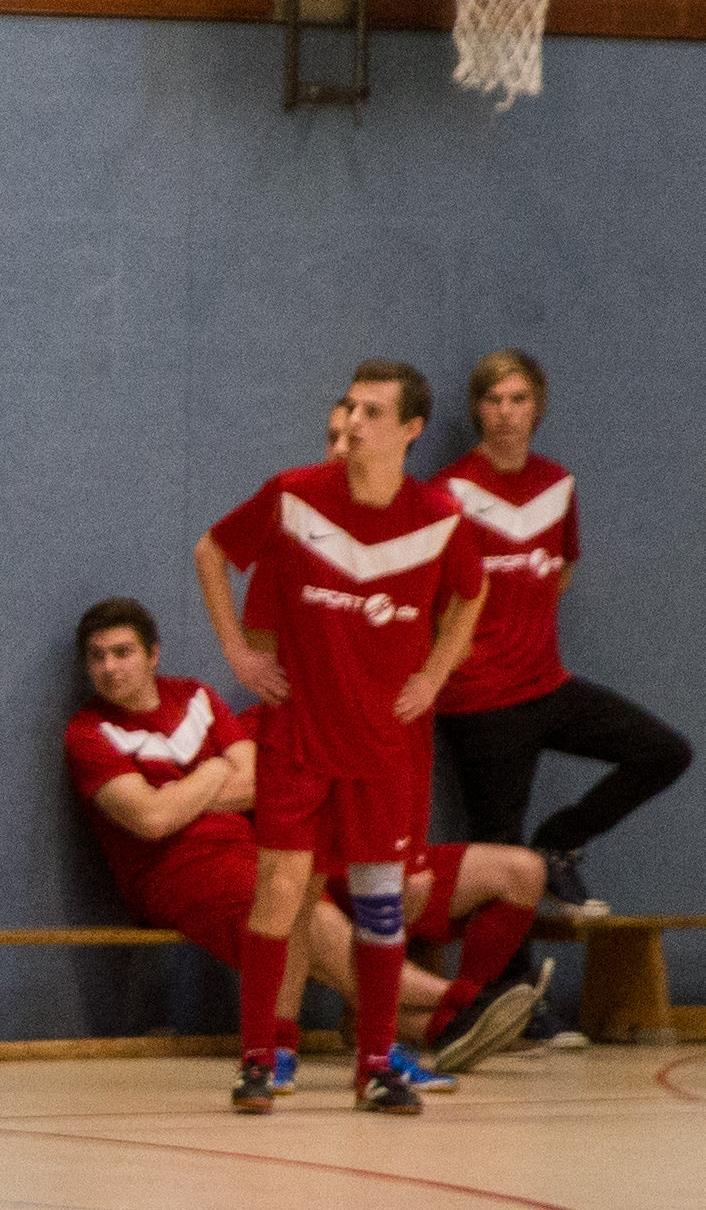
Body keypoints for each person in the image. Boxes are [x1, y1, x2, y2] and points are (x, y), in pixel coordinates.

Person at [66, 602, 540, 1078]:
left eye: (122, 652)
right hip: (180, 873)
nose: (110, 668)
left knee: (511, 872)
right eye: (97, 657)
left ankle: (446, 1024)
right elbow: (151, 820)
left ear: (152, 654)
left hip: (273, 851)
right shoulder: (89, 734)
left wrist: (180, 793)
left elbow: (254, 781)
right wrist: (213, 771)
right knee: (301, 909)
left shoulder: (195, 695)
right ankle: (465, 1002)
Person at [195, 364, 490, 1117]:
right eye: (351, 407)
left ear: (411, 430)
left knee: (381, 907)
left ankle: (376, 1067)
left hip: (384, 745)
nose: (354, 422)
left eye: (373, 411)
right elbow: (211, 552)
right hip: (298, 736)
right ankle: (258, 1059)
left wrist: (434, 673)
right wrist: (239, 656)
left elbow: (471, 592)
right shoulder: (294, 495)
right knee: (280, 891)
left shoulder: (439, 517)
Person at [436, 349, 688, 916]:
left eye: (518, 399)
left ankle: (557, 843)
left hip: (546, 684)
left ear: (538, 406)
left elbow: (561, 570)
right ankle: (512, 973)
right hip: (480, 699)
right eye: (493, 400)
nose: (506, 412)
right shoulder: (447, 492)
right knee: (499, 857)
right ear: (477, 408)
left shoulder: (557, 484)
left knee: (664, 753)